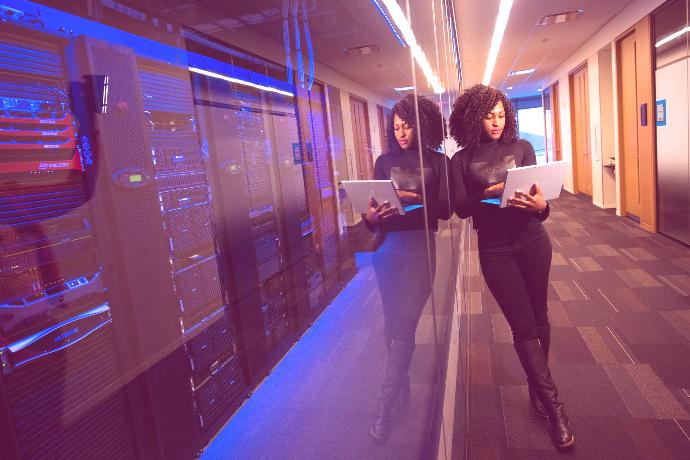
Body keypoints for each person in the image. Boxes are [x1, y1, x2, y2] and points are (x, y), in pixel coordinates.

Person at [448, 84, 574, 449]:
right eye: (489, 115)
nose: (497, 122)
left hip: (533, 239)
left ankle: (538, 389)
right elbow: (459, 206)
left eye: (502, 114)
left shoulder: (522, 148)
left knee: (540, 317)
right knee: (522, 325)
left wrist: (541, 208)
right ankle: (555, 409)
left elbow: (541, 202)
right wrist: (488, 193)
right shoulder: (461, 160)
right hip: (495, 248)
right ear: (474, 117)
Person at [364, 94, 452, 441]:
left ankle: (385, 406)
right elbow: (371, 217)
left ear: (422, 124)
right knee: (392, 323)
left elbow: (445, 210)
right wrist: (370, 217)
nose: (401, 133)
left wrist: (412, 199)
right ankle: (400, 387)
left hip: (420, 250)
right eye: (396, 127)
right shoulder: (383, 161)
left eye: (408, 125)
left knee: (403, 324)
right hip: (387, 249)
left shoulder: (438, 162)